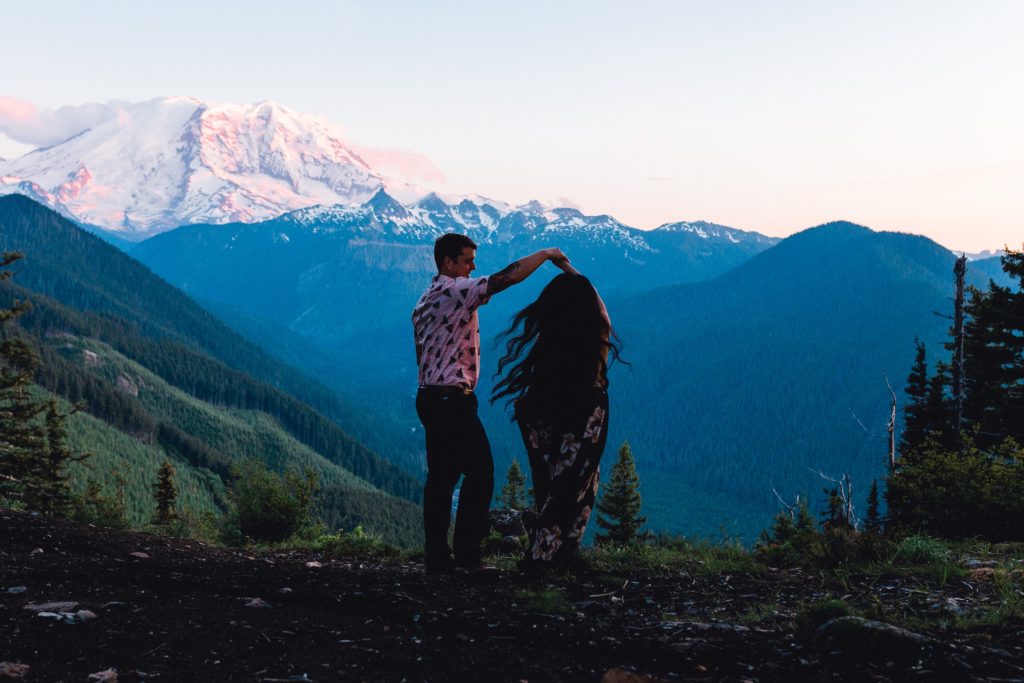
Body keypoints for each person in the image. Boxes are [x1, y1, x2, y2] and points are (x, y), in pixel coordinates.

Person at [412, 233, 572, 574]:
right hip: (451, 399)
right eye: (468, 260)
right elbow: (505, 278)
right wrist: (544, 255)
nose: (473, 267)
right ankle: (467, 552)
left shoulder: (425, 299)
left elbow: (420, 353)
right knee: (481, 472)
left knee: (442, 477)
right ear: (448, 263)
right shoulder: (455, 291)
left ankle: (437, 556)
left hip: (430, 396)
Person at [492, 270, 620, 571]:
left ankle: (544, 550)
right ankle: (549, 556)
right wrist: (580, 278)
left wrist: (569, 277)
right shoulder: (594, 340)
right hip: (584, 411)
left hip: (543, 408)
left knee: (551, 484)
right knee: (576, 484)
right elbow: (604, 315)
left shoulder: (552, 340)